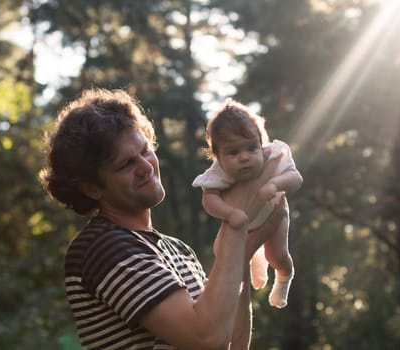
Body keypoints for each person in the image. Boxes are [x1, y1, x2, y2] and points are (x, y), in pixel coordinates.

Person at [39, 88, 285, 350]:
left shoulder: (180, 251)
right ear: (92, 187)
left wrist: (243, 253)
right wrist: (238, 230)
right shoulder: (102, 247)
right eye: (125, 165)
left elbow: (232, 345)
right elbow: (206, 338)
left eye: (145, 151)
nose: (146, 167)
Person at [192, 99, 303, 308]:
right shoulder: (218, 173)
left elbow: (296, 178)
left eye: (252, 148)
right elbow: (209, 199)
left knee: (277, 255)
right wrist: (228, 213)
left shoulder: (273, 156)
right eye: (233, 152)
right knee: (220, 250)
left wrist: (275, 183)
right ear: (218, 156)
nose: (245, 157)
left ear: (261, 144)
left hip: (273, 213)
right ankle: (256, 260)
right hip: (242, 220)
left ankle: (284, 276)